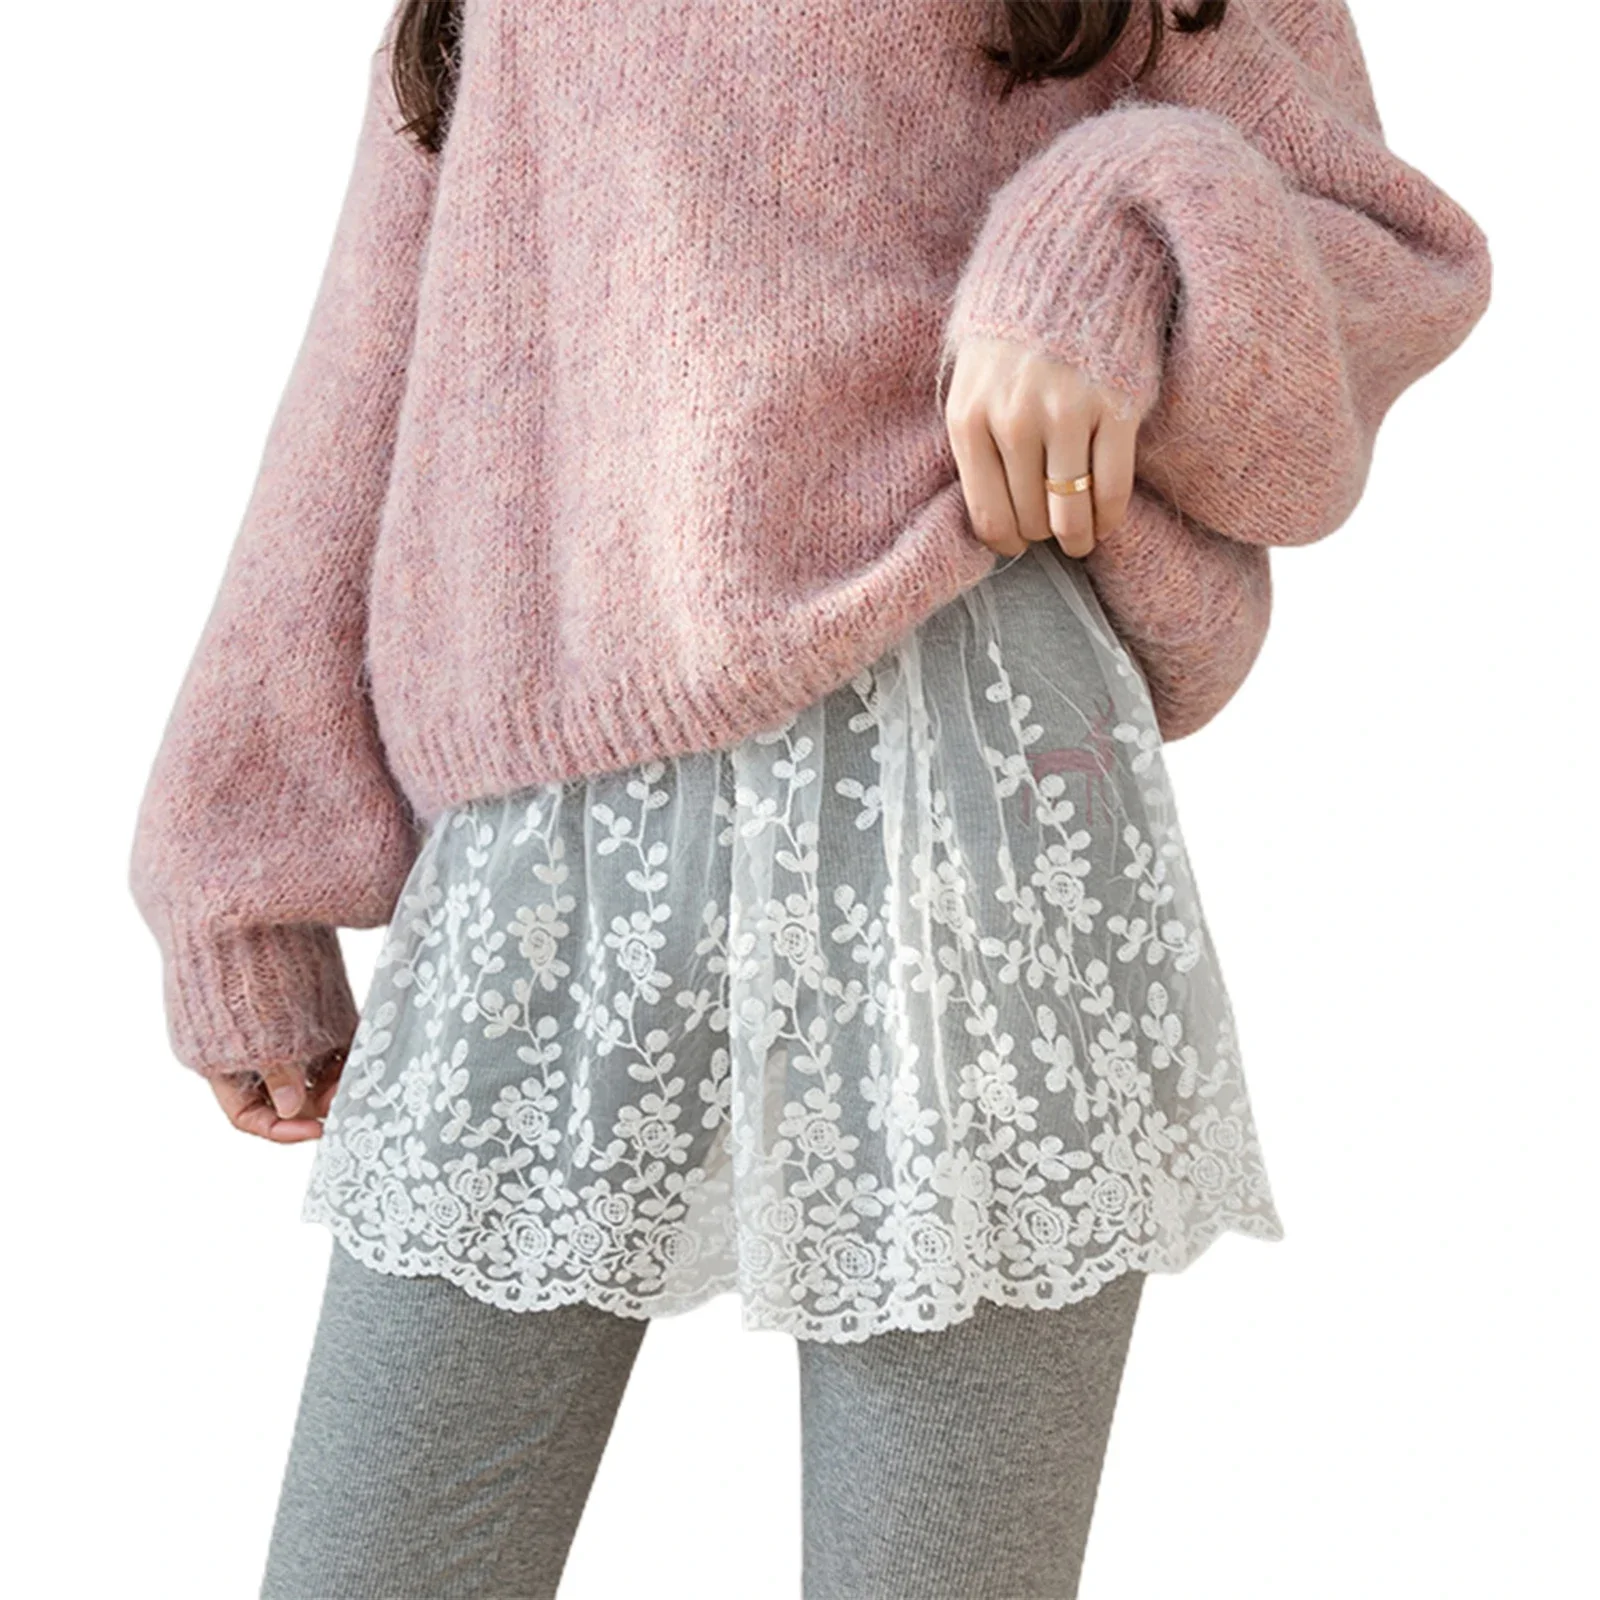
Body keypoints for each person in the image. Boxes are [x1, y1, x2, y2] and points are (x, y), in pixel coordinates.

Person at [126, 2, 1491, 1595]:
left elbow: (1391, 251)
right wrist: (238, 860)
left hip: (962, 767)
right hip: (557, 824)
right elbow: (378, 360)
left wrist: (1107, 226)